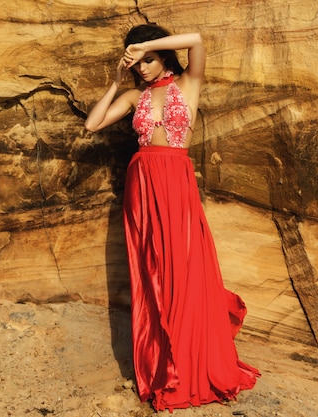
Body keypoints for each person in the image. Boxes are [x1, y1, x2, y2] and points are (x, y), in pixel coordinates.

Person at [84, 24, 260, 412]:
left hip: (176, 181)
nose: (143, 67)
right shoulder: (134, 95)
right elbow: (92, 123)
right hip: (143, 185)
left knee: (185, 268)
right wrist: (115, 81)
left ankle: (193, 362)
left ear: (163, 55)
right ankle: (163, 366)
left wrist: (143, 43)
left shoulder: (188, 83)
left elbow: (196, 40)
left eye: (149, 59)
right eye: (138, 61)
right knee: (154, 272)